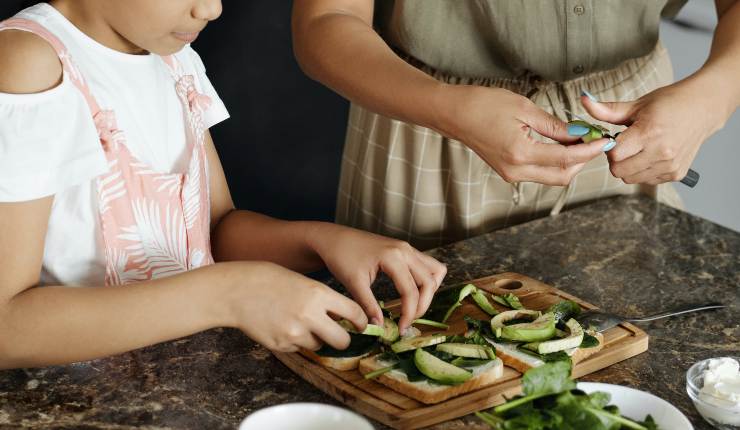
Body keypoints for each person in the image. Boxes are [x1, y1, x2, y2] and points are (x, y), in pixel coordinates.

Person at [0, 0, 447, 370]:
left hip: (183, 376)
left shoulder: (175, 59)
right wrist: (229, 293)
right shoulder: (29, 64)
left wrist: (323, 240)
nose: (212, 8)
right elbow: (7, 327)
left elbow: (217, 230)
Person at [292, 0, 740, 249]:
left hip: (625, 134)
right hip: (430, 134)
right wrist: (447, 108)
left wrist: (707, 103)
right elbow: (326, 21)